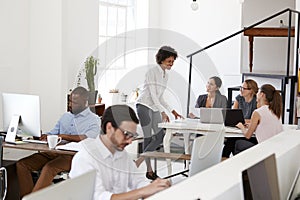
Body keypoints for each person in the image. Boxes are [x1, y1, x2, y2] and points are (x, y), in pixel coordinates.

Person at [69, 105, 170, 200]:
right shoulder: (85, 158)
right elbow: (100, 197)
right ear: (109, 128)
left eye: (132, 136)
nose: (130, 141)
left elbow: (138, 181)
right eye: (126, 134)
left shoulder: (122, 154)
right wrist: (143, 191)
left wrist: (155, 187)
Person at [16, 86, 101, 197]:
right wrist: (41, 135)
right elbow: (53, 133)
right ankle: (27, 198)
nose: (70, 105)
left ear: (85, 102)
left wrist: (62, 136)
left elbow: (88, 138)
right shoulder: (65, 116)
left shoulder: (94, 119)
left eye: (74, 102)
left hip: (73, 156)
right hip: (54, 152)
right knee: (22, 165)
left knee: (49, 168)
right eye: (70, 101)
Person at [136, 46, 183, 180]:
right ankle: (149, 171)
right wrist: (163, 112)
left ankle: (139, 161)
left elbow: (160, 96)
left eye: (172, 61)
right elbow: (152, 94)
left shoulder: (165, 75)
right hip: (144, 105)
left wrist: (172, 111)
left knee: (159, 136)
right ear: (161, 60)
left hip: (155, 107)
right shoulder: (152, 72)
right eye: (169, 61)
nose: (171, 64)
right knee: (148, 138)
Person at [234, 84, 283, 154]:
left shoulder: (257, 112)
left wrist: (241, 127)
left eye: (258, 92)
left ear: (262, 94)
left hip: (263, 149)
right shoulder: (275, 111)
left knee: (237, 143)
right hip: (274, 148)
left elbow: (248, 135)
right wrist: (252, 125)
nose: (256, 94)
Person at [222, 79, 258, 159]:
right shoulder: (239, 98)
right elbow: (233, 116)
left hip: (250, 131)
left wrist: (244, 121)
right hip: (239, 127)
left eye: (243, 88)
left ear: (251, 90)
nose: (241, 90)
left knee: (230, 141)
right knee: (230, 140)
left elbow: (256, 119)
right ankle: (224, 160)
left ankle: (223, 160)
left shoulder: (257, 101)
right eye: (241, 87)